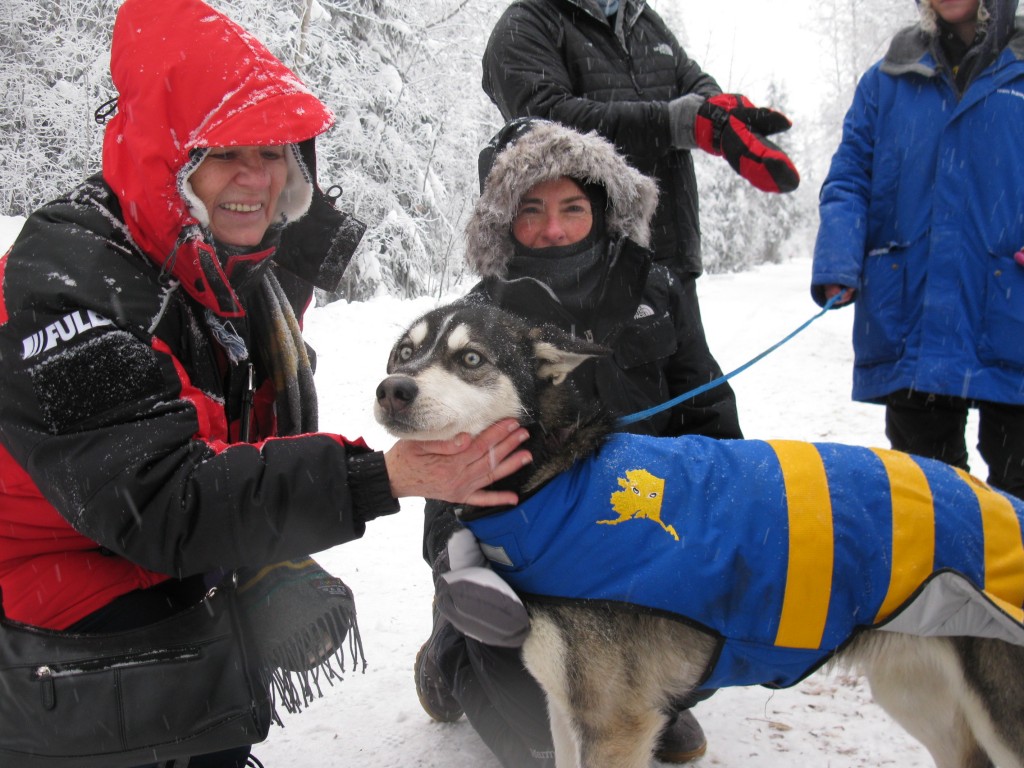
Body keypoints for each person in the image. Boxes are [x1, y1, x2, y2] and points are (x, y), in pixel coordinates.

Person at [0, 1, 531, 766]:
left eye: (276, 151)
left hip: (158, 570)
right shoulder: (69, 291)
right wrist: (382, 476)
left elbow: (235, 374)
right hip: (71, 615)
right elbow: (167, 501)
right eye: (224, 154)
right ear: (166, 157)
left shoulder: (215, 262)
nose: (257, 178)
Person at [414, 118, 745, 766]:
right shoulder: (474, 321)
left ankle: (656, 698)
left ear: (603, 209)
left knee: (695, 649)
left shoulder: (657, 290)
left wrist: (728, 515)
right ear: (503, 220)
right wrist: (453, 565)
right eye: (532, 210)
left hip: (644, 532)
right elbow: (441, 474)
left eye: (572, 207)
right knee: (536, 732)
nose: (555, 229)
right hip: (529, 562)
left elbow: (709, 406)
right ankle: (449, 653)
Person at [481, 0, 799, 415]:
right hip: (574, 269)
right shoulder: (528, 23)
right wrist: (673, 123)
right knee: (584, 412)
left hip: (666, 252)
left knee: (689, 398)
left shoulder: (643, 21)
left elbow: (694, 83)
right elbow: (548, 125)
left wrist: (716, 115)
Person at [811, 0, 1024, 500]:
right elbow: (848, 180)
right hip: (913, 312)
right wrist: (840, 261)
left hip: (1010, 303)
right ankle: (942, 580)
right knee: (925, 491)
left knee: (1019, 487)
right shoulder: (887, 78)